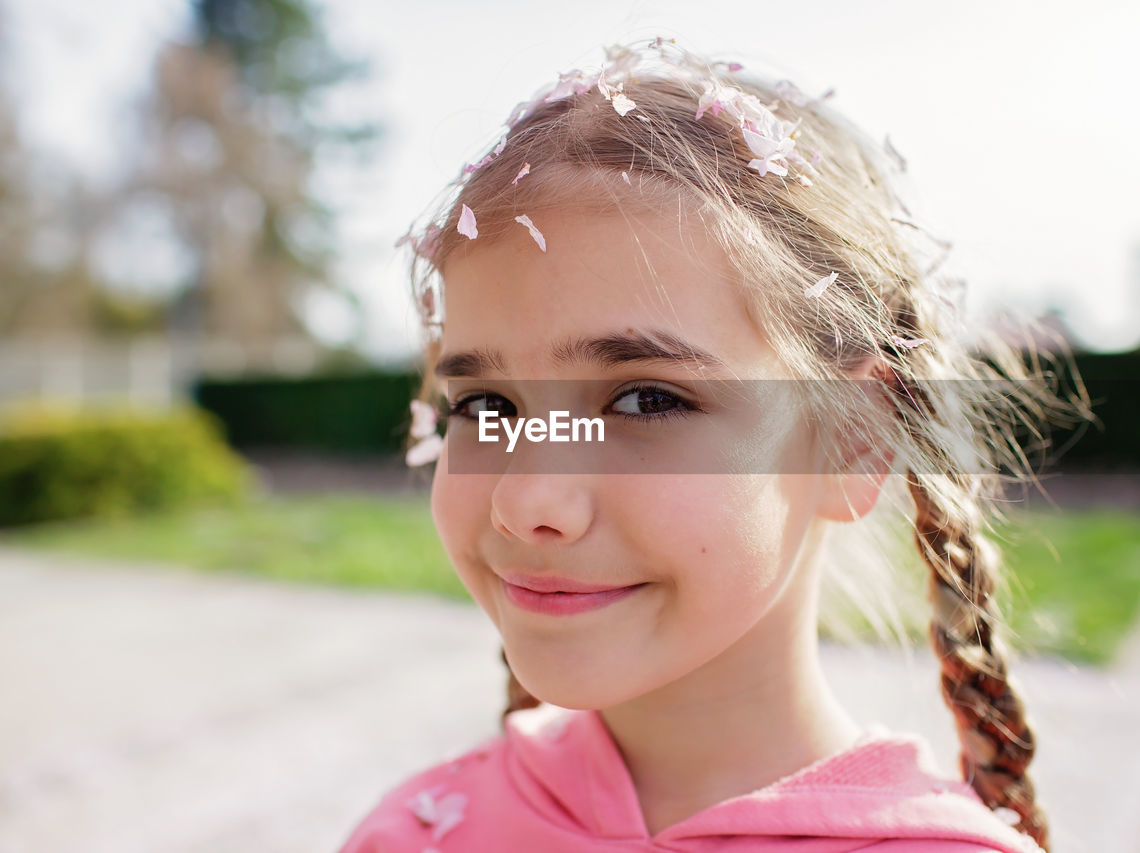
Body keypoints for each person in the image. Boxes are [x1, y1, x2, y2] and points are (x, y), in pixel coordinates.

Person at [342, 38, 1074, 853]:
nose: (526, 500)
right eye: (486, 404)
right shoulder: (409, 833)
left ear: (854, 438)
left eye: (646, 399)